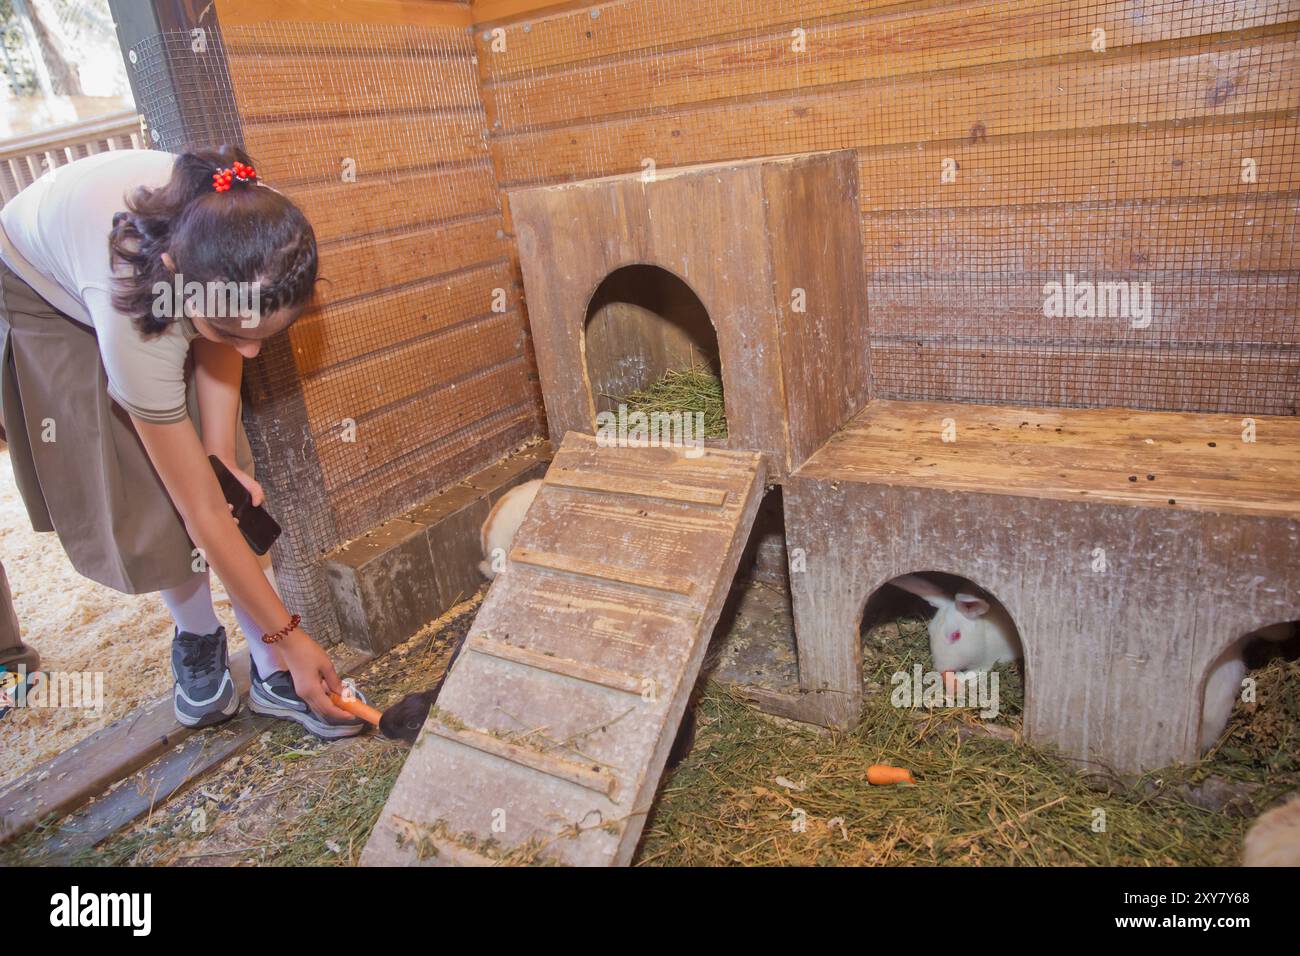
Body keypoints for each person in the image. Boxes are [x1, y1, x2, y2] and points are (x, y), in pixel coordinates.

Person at [0, 144, 362, 737]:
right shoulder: (139, 315)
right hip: (37, 280)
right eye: (230, 332)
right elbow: (198, 509)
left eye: (264, 336)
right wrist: (294, 634)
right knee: (146, 471)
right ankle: (198, 634)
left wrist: (218, 454)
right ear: (177, 277)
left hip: (175, 283)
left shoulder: (250, 234)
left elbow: (228, 339)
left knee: (222, 472)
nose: (249, 351)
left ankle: (270, 669)